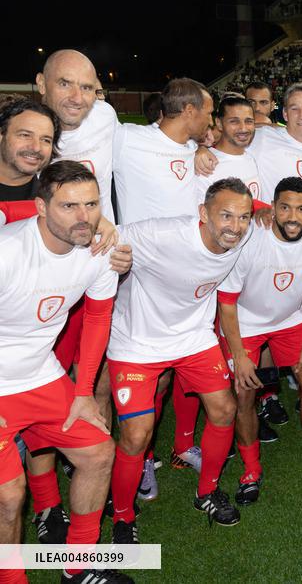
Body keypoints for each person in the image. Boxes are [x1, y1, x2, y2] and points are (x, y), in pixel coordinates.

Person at [0, 162, 131, 584]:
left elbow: (97, 319)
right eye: (69, 205)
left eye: (91, 204)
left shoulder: (101, 252)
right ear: (40, 207)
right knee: (8, 496)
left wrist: (83, 391)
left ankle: (77, 567)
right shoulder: (7, 252)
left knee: (98, 452)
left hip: (42, 376)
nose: (84, 217)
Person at [108, 178, 255, 543]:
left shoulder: (245, 234)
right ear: (203, 214)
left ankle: (206, 492)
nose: (235, 226)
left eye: (244, 217)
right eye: (225, 215)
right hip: (137, 342)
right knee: (136, 433)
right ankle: (123, 516)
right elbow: (107, 235)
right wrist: (113, 256)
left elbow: (272, 212)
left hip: (193, 337)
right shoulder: (162, 235)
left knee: (224, 409)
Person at [216, 177, 302, 504]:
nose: (292, 216)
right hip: (246, 321)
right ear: (273, 208)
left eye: (301, 209)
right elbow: (226, 301)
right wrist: (239, 355)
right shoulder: (251, 238)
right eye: (284, 208)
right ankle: (251, 469)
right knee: (244, 390)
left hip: (290, 319)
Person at [112, 78, 211, 224]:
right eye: (208, 113)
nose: (211, 121)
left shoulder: (192, 148)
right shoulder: (127, 139)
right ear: (189, 111)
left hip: (186, 245)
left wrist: (201, 149)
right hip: (138, 245)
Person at [37, 49, 118, 222]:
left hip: (106, 245)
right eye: (65, 84)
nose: (77, 98)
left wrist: (192, 147)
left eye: (86, 87)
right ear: (42, 83)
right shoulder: (24, 136)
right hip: (51, 246)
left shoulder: (105, 116)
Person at [194, 96, 261, 202]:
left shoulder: (252, 157)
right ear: (219, 123)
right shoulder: (205, 165)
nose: (243, 128)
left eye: (248, 121)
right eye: (234, 121)